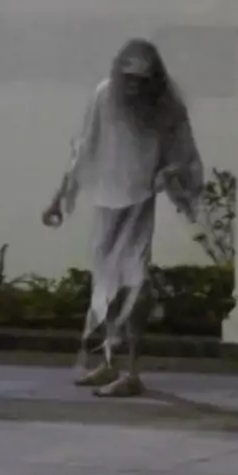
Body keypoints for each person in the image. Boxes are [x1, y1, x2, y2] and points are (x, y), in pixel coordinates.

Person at [42, 38, 204, 398]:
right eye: (128, 78)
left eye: (141, 80)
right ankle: (109, 362)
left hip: (138, 203)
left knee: (134, 282)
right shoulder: (104, 96)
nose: (133, 87)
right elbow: (85, 148)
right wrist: (59, 198)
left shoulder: (166, 106)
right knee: (105, 283)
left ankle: (132, 371)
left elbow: (185, 155)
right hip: (106, 200)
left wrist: (171, 174)